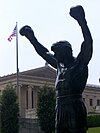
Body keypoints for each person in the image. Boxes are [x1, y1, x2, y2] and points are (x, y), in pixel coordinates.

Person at [19, 5, 93, 133]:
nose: (55, 56)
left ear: (65, 52)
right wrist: (31, 37)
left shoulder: (79, 64)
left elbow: (88, 43)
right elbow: (43, 52)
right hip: (60, 108)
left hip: (74, 107)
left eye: (57, 53)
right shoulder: (60, 65)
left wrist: (81, 20)